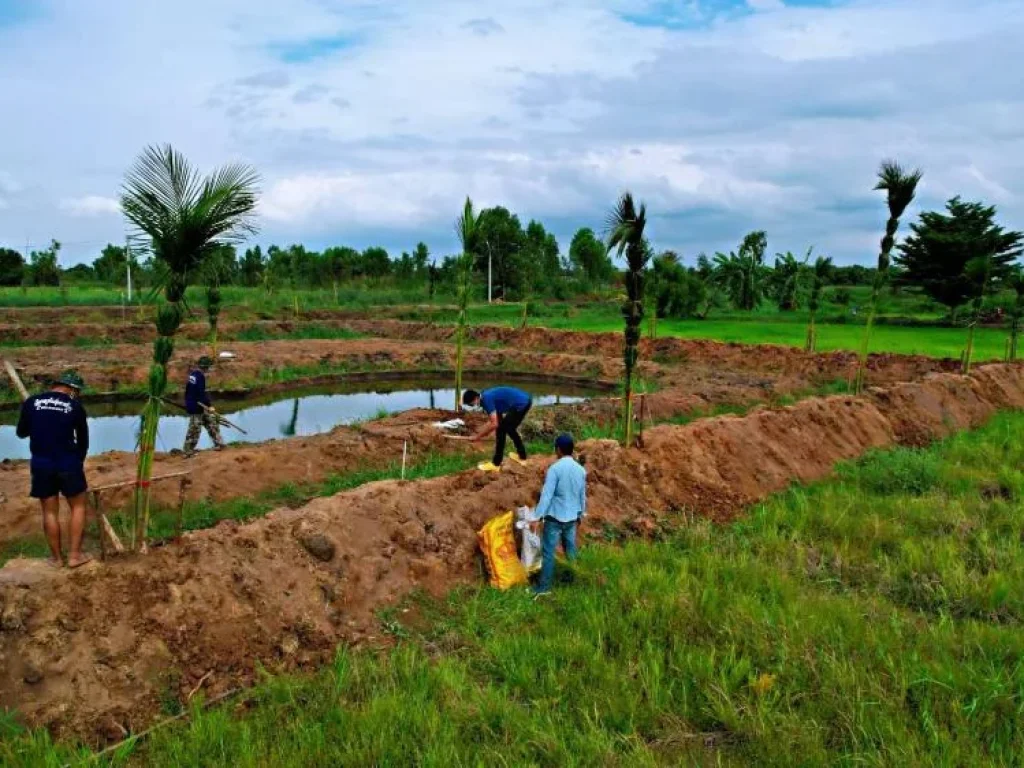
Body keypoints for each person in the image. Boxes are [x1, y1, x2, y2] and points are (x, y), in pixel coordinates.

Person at [15, 370, 91, 568]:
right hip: (68, 463)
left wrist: (37, 424)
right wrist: (78, 462)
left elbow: (21, 433)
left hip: (42, 465)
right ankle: (75, 556)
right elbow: (83, 441)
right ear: (72, 389)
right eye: (78, 391)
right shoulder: (75, 406)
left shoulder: (31, 403)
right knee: (79, 506)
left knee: (49, 512)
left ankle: (56, 559)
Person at [531, 433, 586, 596]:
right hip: (572, 517)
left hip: (555, 517)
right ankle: (572, 580)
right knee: (570, 549)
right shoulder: (580, 470)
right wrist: (581, 513)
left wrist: (537, 516)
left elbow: (546, 495)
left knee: (548, 552)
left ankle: (544, 587)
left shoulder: (555, 469)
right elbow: (582, 494)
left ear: (559, 450)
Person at [461, 385, 532, 472]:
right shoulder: (484, 396)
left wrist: (478, 436)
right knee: (507, 429)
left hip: (522, 403)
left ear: (476, 398)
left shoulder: (486, 399)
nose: (471, 406)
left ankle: (496, 464)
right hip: (523, 400)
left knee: (502, 429)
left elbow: (494, 424)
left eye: (470, 404)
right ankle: (522, 456)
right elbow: (497, 416)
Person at [183, 356, 225, 457]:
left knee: (211, 422)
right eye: (209, 367)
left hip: (196, 404)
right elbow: (201, 393)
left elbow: (188, 391)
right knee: (194, 429)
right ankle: (188, 451)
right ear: (206, 367)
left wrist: (188, 402)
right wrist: (209, 406)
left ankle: (219, 444)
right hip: (196, 406)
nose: (210, 369)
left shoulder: (193, 375)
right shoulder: (200, 376)